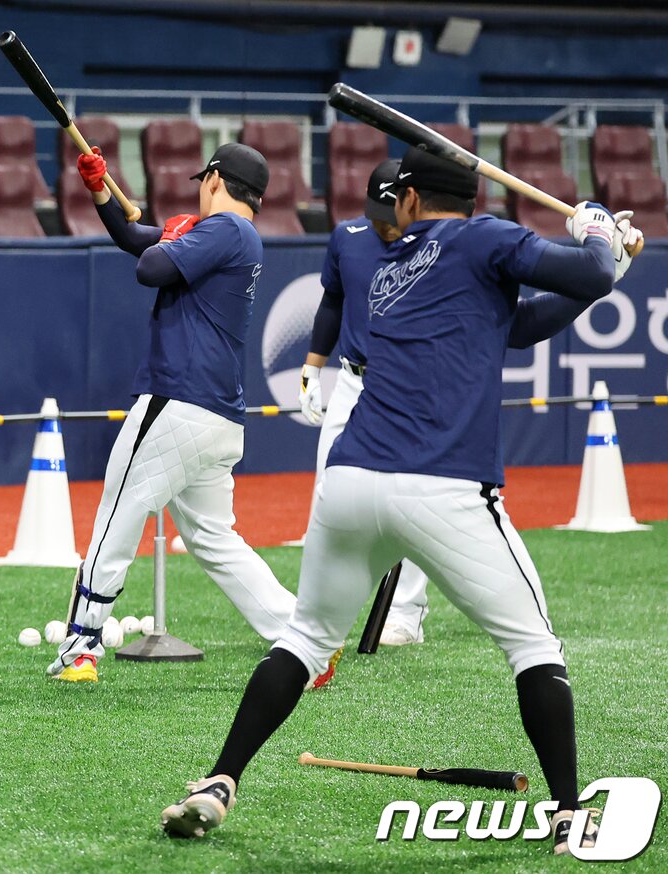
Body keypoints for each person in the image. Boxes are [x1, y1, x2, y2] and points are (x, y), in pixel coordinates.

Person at [159, 147, 641, 857]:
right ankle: (570, 814)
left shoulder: (388, 272)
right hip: (442, 484)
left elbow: (519, 325)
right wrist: (599, 231)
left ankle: (217, 781)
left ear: (410, 201)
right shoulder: (485, 237)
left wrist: (607, 266)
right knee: (534, 648)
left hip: (351, 483)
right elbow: (588, 268)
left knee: (302, 640)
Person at [48, 143, 337, 690]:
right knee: (214, 539)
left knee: (116, 514)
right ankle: (307, 641)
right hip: (216, 417)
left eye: (202, 180)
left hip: (179, 403)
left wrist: (174, 233)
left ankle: (81, 645)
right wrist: (100, 190)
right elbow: (135, 240)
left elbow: (151, 268)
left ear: (215, 180)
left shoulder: (224, 231)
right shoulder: (226, 234)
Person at [296, 159, 433, 646]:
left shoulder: (436, 246)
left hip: (412, 384)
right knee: (327, 485)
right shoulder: (347, 236)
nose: (381, 221)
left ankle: (407, 611)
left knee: (417, 494)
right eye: (374, 209)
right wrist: (313, 366)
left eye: (389, 210)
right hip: (353, 381)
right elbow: (332, 301)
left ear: (410, 202)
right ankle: (317, 607)